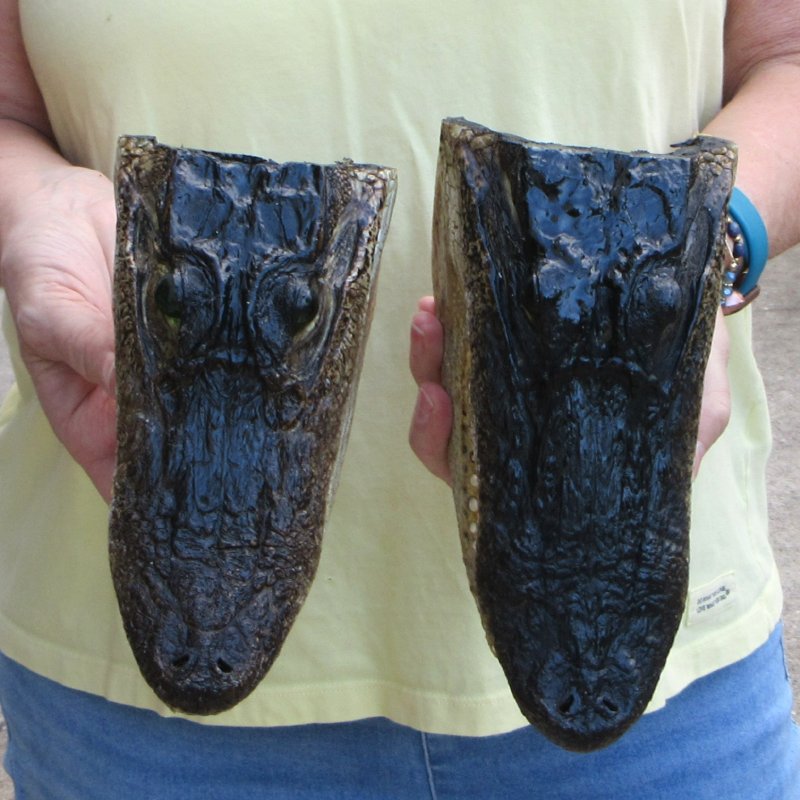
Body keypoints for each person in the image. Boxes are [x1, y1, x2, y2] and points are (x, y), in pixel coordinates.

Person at [0, 0, 799, 797]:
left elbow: (787, 59)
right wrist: (29, 207)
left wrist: (713, 249)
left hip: (669, 690)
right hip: (117, 702)